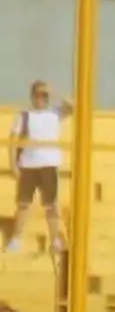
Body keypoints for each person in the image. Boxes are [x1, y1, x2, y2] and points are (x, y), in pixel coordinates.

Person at [7, 80, 72, 254]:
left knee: (51, 205)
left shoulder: (55, 113)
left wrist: (54, 90)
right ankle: (15, 238)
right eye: (37, 94)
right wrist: (13, 164)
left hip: (49, 165)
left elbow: (74, 106)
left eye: (44, 95)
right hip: (28, 165)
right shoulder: (24, 115)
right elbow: (13, 140)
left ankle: (55, 241)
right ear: (32, 96)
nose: (40, 98)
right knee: (23, 204)